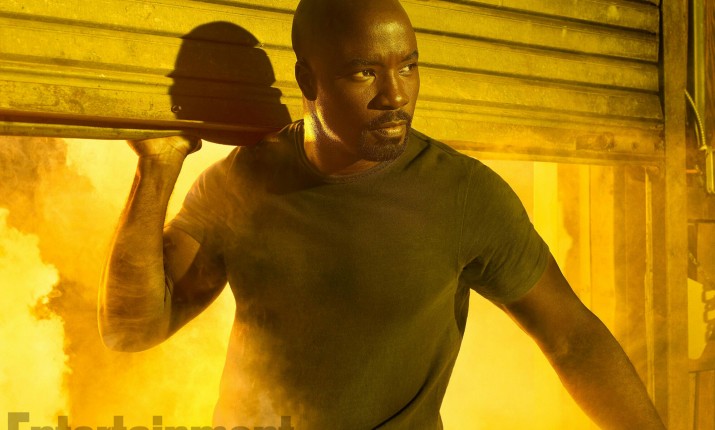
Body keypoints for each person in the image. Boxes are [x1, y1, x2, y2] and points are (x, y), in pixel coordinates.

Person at [98, 0, 667, 428]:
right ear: (308, 81)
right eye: (365, 72)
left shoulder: (464, 193)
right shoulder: (241, 182)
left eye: (409, 67)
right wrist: (158, 167)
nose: (395, 95)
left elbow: (573, 339)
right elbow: (131, 330)